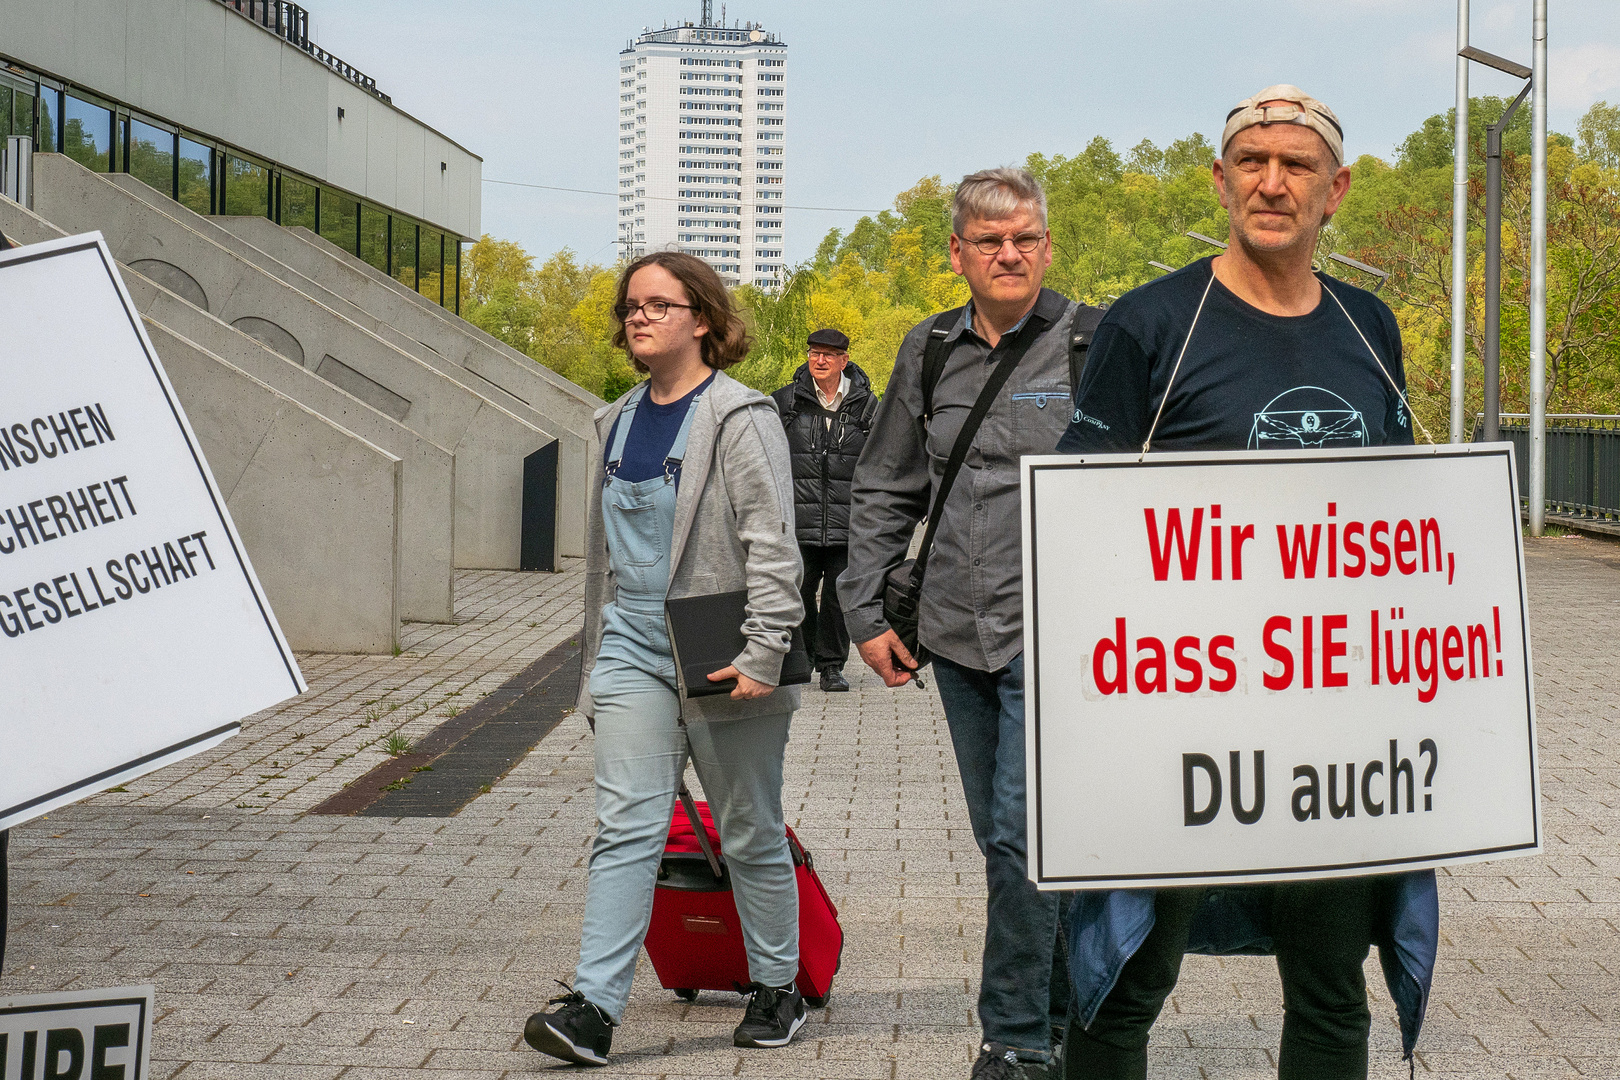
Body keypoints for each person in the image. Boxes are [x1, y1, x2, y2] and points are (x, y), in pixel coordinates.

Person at [1054, 86, 1439, 1079]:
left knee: (1328, 984)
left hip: (1334, 729)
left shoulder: (1369, 325)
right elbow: (1081, 512)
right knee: (1126, 976)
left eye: (1297, 165)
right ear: (1221, 180)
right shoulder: (1152, 323)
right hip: (1182, 719)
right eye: (1253, 162)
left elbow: (1405, 517)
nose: (1274, 182)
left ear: (1335, 190)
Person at [524, 252, 806, 1066]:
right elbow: (606, 561)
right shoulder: (613, 420)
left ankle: (777, 985)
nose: (638, 316)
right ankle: (593, 1009)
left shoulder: (740, 417)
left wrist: (763, 651)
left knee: (749, 829)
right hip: (632, 648)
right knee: (627, 827)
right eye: (631, 305)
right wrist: (593, 667)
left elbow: (773, 546)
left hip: (723, 652)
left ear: (705, 320)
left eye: (658, 304)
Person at [841, 168, 1089, 1079]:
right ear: (959, 254)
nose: (1010, 254)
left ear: (1047, 246)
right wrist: (863, 610)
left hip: (1060, 636)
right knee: (1006, 839)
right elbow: (885, 484)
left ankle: (1015, 1040)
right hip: (951, 628)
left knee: (1026, 836)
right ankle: (1065, 1024)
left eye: (1025, 238)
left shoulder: (1093, 344)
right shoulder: (929, 350)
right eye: (990, 242)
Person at [771, 328, 879, 692]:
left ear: (844, 361)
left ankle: (832, 665)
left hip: (848, 519)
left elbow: (883, 460)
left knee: (838, 597)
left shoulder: (867, 406)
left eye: (828, 355)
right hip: (798, 519)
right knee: (798, 592)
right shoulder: (785, 403)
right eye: (814, 353)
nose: (819, 360)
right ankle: (805, 655)